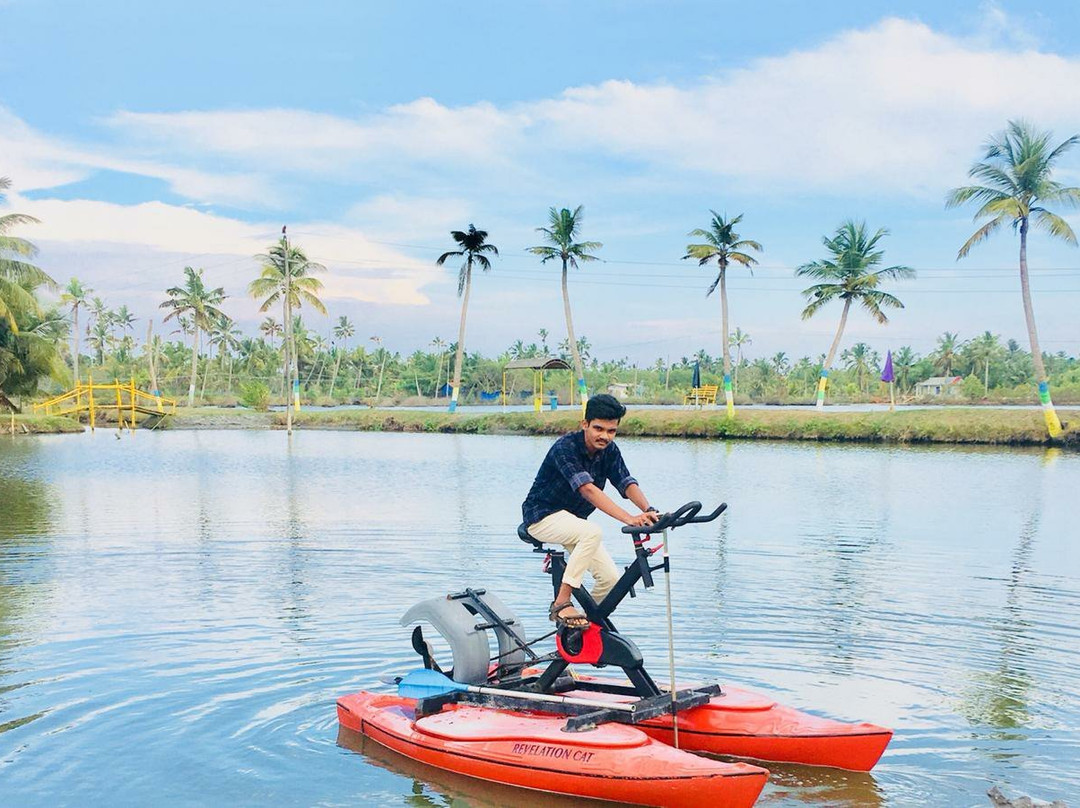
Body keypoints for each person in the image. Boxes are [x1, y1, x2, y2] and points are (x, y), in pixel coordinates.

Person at [521, 393, 659, 629]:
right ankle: (562, 602)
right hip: (541, 516)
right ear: (584, 424)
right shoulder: (565, 448)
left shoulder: (610, 451)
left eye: (611, 431)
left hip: (574, 523)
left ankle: (576, 629)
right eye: (598, 428)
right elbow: (588, 490)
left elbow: (626, 482)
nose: (604, 436)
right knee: (592, 531)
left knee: (611, 581)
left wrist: (649, 510)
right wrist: (630, 518)